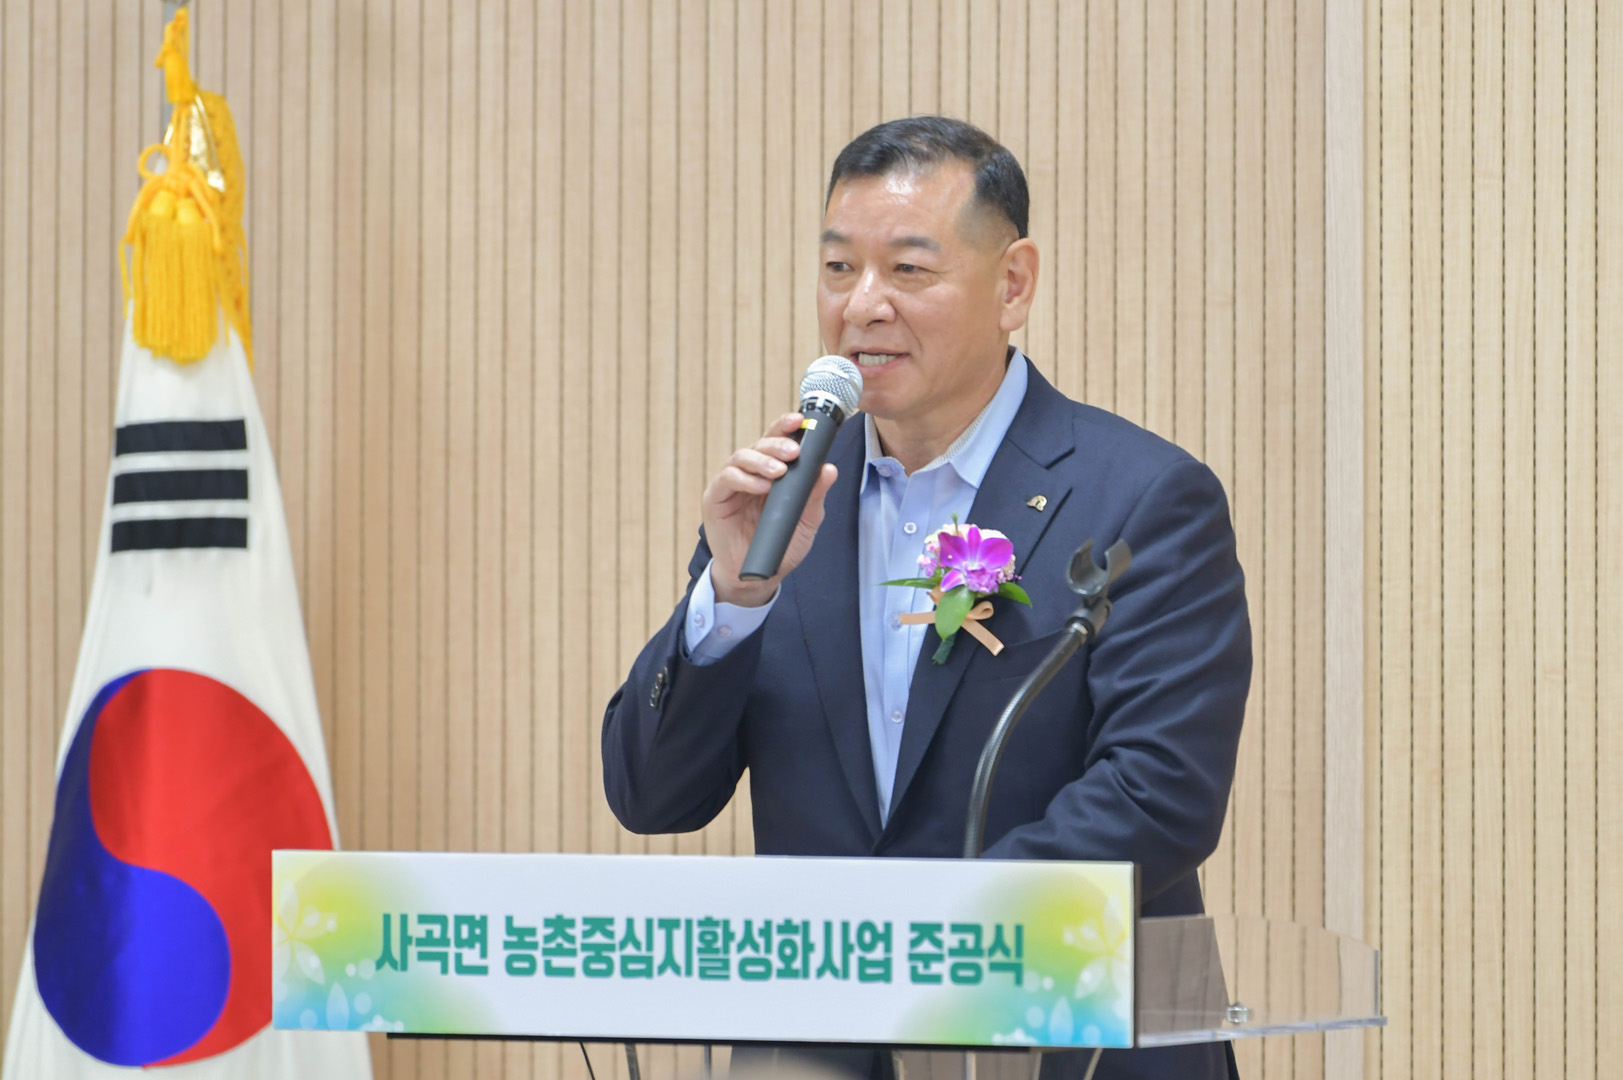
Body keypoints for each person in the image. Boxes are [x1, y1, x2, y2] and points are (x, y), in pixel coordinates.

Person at [602, 116, 1250, 1080]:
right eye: (838, 269)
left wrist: (915, 947)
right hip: (815, 1057)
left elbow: (1159, 795)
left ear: (1012, 284)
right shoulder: (782, 508)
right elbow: (652, 797)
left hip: (1063, 1046)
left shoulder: (1140, 499)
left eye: (908, 270)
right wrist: (730, 600)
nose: (862, 305)